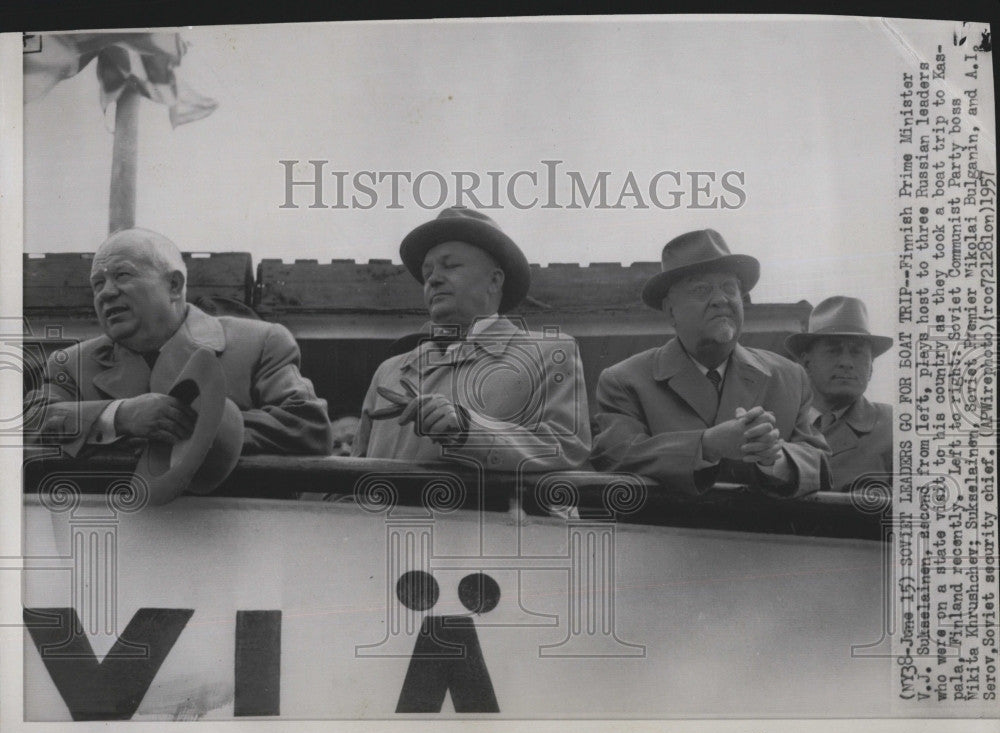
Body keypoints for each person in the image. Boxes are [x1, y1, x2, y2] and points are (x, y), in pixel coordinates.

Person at [25, 228, 334, 457]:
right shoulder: (71, 362)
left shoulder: (261, 342)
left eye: (122, 275)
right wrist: (120, 416)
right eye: (97, 284)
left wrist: (186, 430)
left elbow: (307, 426)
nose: (105, 292)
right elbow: (28, 421)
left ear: (174, 285)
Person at [591, 229, 830, 497]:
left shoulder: (789, 378)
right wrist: (707, 445)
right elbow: (615, 457)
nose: (721, 300)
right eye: (701, 290)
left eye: (730, 288)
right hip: (665, 538)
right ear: (671, 311)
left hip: (762, 538)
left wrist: (774, 457)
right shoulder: (625, 381)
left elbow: (819, 463)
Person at [352, 207, 590, 471]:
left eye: (451, 265)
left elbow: (566, 447)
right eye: (427, 272)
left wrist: (469, 430)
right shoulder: (389, 371)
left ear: (495, 280)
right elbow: (353, 470)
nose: (434, 280)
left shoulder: (549, 353)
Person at [785, 296, 893, 492]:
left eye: (857, 352)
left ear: (871, 368)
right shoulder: (778, 420)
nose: (846, 362)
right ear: (806, 363)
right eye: (833, 351)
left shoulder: (894, 427)